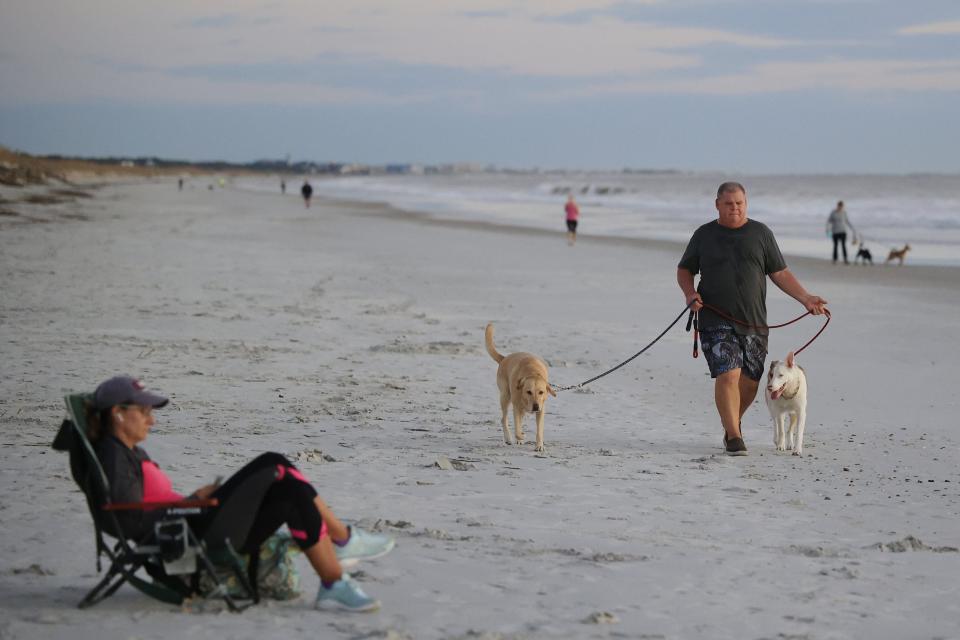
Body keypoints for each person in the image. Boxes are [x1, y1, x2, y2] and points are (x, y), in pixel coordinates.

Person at [86, 375, 394, 612]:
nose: (151, 419)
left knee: (288, 495)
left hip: (191, 521)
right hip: (188, 534)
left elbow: (144, 504)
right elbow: (131, 517)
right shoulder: (114, 457)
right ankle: (341, 540)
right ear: (118, 413)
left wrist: (191, 497)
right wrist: (191, 503)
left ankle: (333, 582)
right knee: (274, 462)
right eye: (143, 411)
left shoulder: (129, 452)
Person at [677, 182, 828, 455]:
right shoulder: (704, 235)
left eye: (739, 203)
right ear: (717, 205)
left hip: (754, 322)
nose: (734, 208)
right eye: (728, 204)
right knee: (728, 374)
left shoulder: (761, 234)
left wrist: (806, 299)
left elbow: (780, 273)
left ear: (746, 203)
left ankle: (731, 423)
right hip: (715, 319)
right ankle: (734, 438)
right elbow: (684, 270)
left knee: (750, 381)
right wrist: (690, 294)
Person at [826, 200, 857, 265]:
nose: (840, 207)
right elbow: (829, 221)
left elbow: (847, 221)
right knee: (835, 246)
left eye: (841, 206)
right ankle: (834, 259)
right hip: (835, 232)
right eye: (839, 206)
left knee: (843, 246)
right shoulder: (833, 213)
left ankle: (845, 259)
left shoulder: (844, 213)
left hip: (843, 232)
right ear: (837, 206)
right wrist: (828, 230)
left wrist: (852, 228)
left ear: (842, 206)